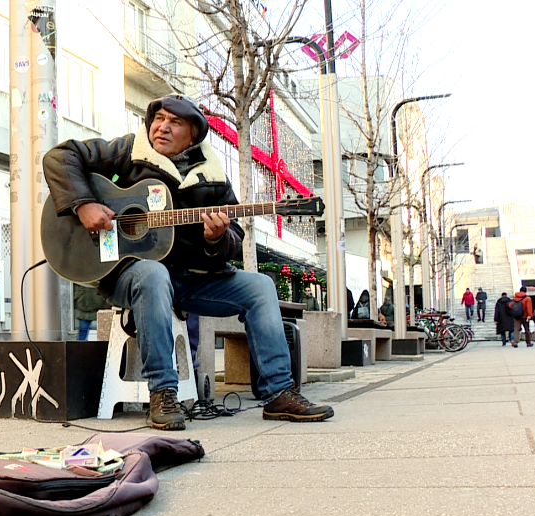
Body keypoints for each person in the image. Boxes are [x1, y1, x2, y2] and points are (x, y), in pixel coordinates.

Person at [42, 94, 333, 430]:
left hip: (192, 280)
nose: (162, 127)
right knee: (152, 274)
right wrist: (83, 204)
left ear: (193, 135)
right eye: (159, 119)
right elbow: (60, 156)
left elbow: (234, 238)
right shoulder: (129, 151)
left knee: (261, 286)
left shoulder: (211, 177)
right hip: (130, 276)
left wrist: (216, 239)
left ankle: (279, 392)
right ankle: (163, 393)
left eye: (174, 122)